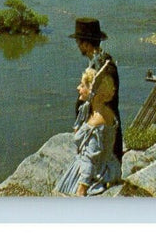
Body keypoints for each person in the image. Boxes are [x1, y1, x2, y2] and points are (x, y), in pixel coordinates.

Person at [55, 67, 122, 196]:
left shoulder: (97, 121)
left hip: (94, 174)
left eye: (82, 85)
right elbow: (77, 126)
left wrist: (82, 189)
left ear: (92, 92)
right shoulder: (94, 110)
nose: (78, 88)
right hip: (105, 165)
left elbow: (90, 159)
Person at [70, 17, 123, 159]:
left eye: (78, 42)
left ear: (86, 44)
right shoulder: (100, 62)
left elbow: (104, 101)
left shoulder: (104, 68)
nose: (78, 46)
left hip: (102, 137)